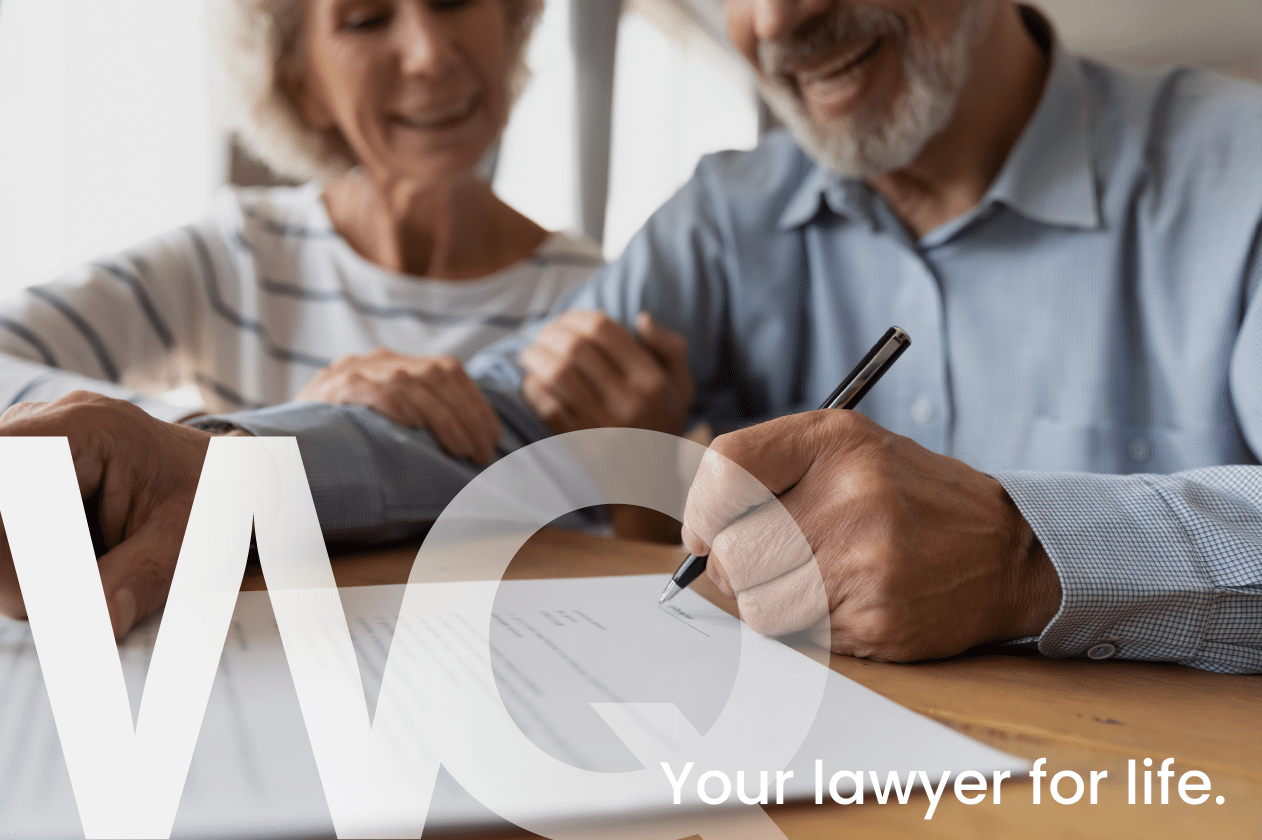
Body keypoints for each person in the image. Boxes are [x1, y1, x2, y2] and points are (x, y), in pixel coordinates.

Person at [3, 0, 1261, 676]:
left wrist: (1024, 559)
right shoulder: (723, 217)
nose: (782, 16)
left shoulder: (1235, 177)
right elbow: (493, 423)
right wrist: (224, 461)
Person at [0, 0, 602, 466]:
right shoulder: (239, 255)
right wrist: (255, 440)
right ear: (303, 86)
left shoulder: (602, 300)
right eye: (366, 20)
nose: (430, 54)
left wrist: (642, 469)